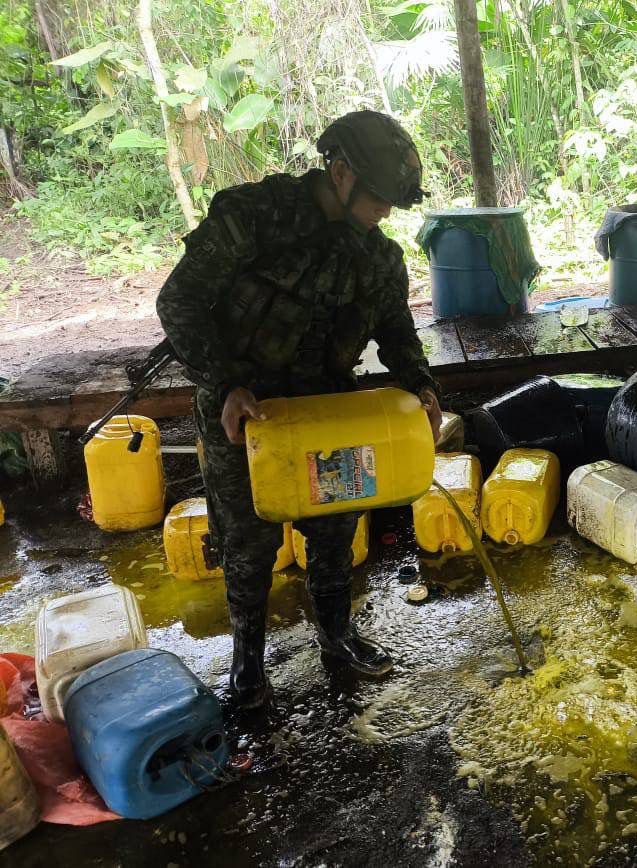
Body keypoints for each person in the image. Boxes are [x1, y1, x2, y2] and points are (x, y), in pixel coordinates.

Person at [156, 111, 442, 709]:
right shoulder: (255, 218)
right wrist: (226, 381)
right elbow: (179, 300)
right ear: (340, 172)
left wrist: (420, 383)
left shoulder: (378, 258)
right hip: (243, 412)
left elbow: (395, 327)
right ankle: (247, 664)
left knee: (335, 533)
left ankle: (337, 635)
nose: (386, 212)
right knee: (248, 544)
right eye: (380, 198)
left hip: (326, 413)